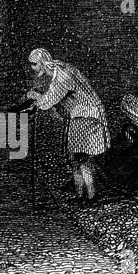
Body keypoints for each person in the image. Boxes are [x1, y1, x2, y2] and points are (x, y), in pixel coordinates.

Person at [9, 48, 110, 202]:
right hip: (79, 117)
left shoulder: (62, 77)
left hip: (87, 118)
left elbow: (47, 102)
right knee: (75, 159)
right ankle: (82, 195)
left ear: (43, 63)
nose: (32, 68)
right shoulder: (58, 69)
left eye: (35, 64)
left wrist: (34, 95)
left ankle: (90, 196)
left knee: (81, 159)